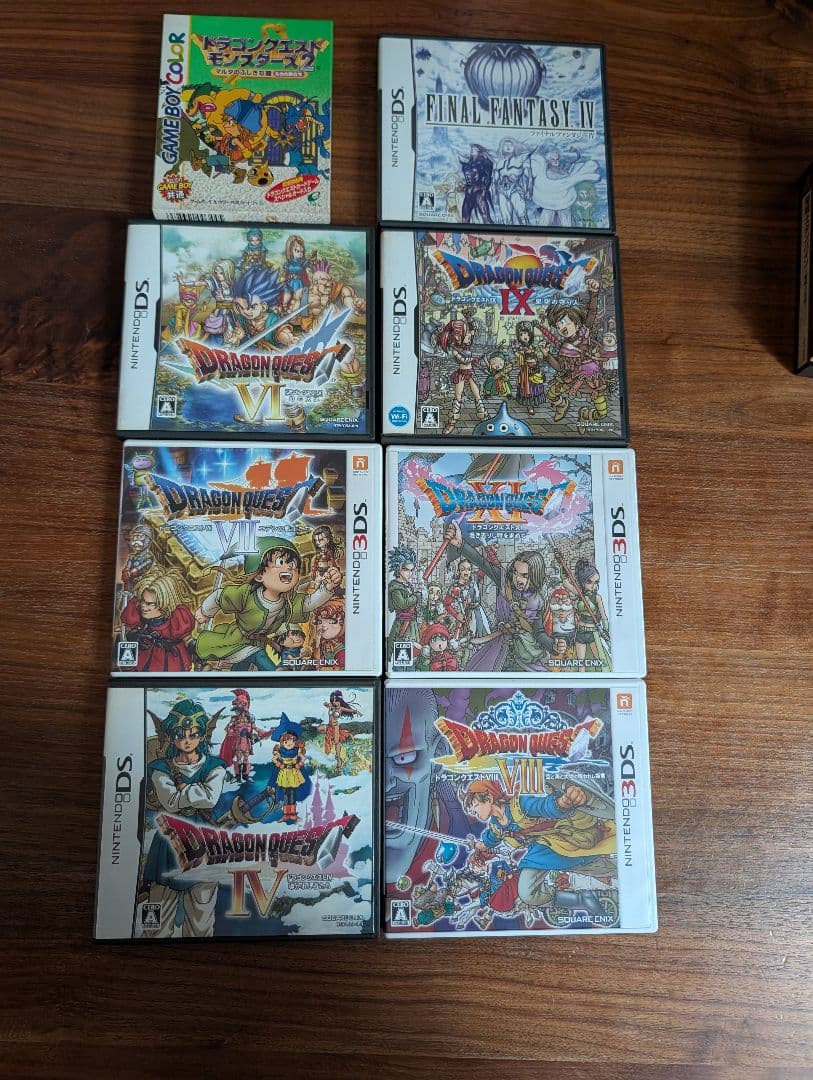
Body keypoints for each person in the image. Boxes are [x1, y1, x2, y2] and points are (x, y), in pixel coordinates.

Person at [462, 778, 615, 916]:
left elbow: (542, 806)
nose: (474, 812)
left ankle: (585, 897)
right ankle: (581, 899)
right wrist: (479, 845)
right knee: (528, 893)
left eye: (475, 806)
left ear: (489, 798)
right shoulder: (496, 824)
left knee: (602, 868)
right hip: (544, 850)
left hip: (557, 841)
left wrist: (562, 802)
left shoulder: (519, 805)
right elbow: (491, 838)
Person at [141, 698, 227, 938]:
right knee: (155, 927)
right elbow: (170, 801)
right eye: (180, 735)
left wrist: (184, 794)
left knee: (201, 926)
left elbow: (210, 799)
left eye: (193, 734)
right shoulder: (160, 767)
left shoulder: (215, 766)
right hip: (167, 847)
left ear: (202, 735)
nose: (186, 740)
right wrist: (196, 792)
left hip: (204, 847)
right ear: (171, 736)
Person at [195, 536, 340, 671]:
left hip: (260, 643)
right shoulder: (246, 595)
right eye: (280, 563)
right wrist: (204, 612)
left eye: (293, 564)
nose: (290, 567)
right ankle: (275, 672)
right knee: (257, 657)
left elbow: (308, 603)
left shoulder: (288, 602)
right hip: (237, 640)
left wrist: (327, 588)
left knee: (243, 667)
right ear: (259, 575)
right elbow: (220, 596)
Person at [443, 520, 555, 672]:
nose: (518, 579)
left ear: (535, 575)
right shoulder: (505, 582)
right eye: (515, 573)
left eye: (524, 575)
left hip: (526, 654)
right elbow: (482, 563)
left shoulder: (538, 600)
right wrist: (461, 544)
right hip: (499, 648)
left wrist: (553, 645)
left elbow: (539, 632)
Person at [120, 574, 195, 672]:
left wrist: (196, 648)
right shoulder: (138, 614)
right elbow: (126, 637)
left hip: (172, 660)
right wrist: (133, 637)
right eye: (142, 601)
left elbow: (188, 640)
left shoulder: (178, 618)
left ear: (164, 604)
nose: (143, 606)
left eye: (149, 603)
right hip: (145, 656)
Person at [267, 714, 312, 824]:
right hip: (284, 774)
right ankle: (286, 814)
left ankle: (293, 814)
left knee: (292, 793)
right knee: (286, 794)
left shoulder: (297, 751)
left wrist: (299, 764)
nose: (289, 743)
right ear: (282, 743)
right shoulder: (280, 752)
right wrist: (280, 765)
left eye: (291, 740)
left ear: (295, 741)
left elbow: (302, 758)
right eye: (286, 742)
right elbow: (275, 760)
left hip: (294, 774)